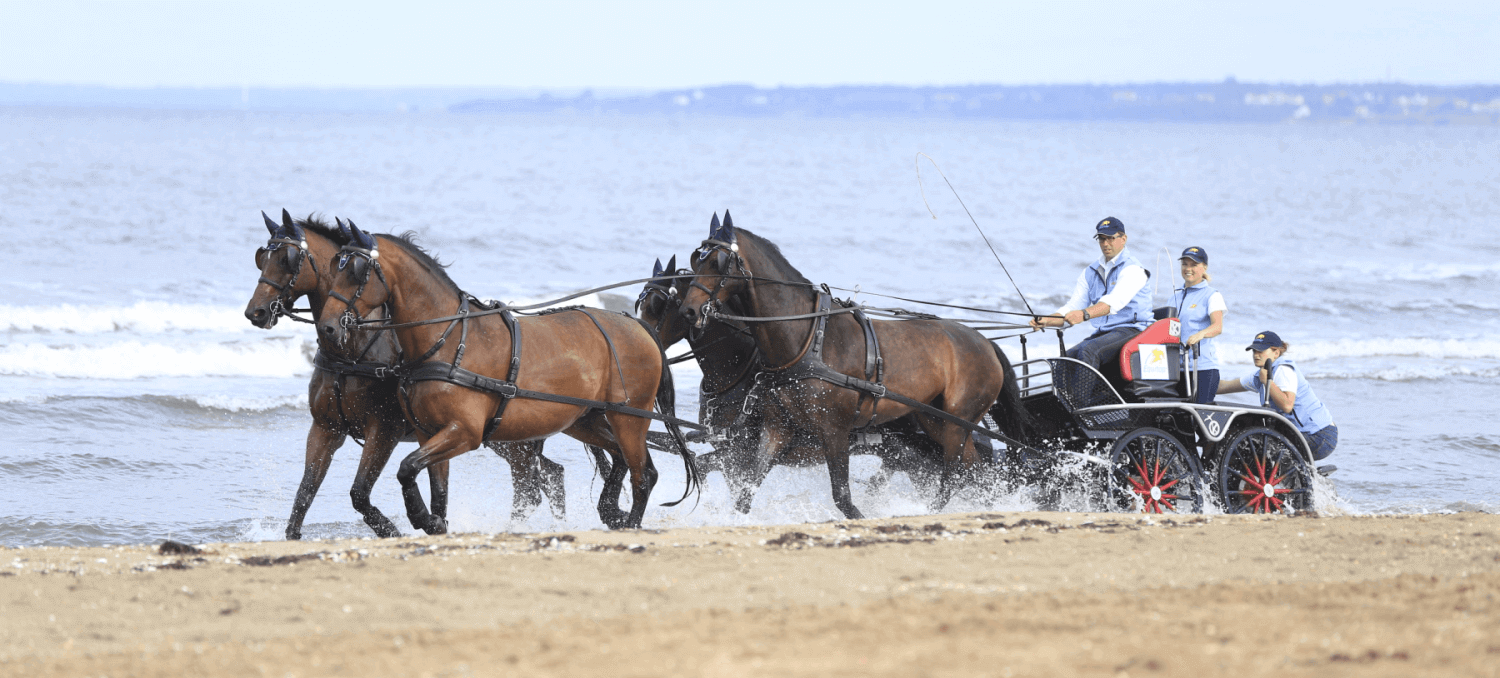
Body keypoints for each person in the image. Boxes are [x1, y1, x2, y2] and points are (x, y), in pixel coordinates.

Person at [1029, 216, 1154, 375]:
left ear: (1123, 239)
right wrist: (1047, 321)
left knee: (1088, 351)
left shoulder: (1133, 270)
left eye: (1110, 238)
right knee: (1065, 359)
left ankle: (1083, 393)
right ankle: (1063, 393)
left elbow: (1112, 303)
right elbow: (1072, 307)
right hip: (1106, 333)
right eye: (1101, 239)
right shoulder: (1090, 272)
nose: (1105, 243)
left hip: (1134, 330)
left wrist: (1084, 314)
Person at [1217, 331, 1339, 460]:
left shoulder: (1283, 370)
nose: (1256, 355)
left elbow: (1287, 405)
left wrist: (1267, 381)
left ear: (1276, 353)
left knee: (1260, 450)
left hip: (1320, 436)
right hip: (1301, 433)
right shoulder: (1260, 375)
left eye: (1261, 351)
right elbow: (1224, 386)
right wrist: (1202, 383)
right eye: (1254, 351)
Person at [1171, 246, 1225, 403]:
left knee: (1198, 415)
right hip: (1177, 369)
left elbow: (1217, 327)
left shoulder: (1212, 295)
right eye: (1185, 264)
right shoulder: (1174, 296)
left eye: (1194, 265)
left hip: (1202, 368)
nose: (1188, 269)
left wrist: (1200, 334)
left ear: (1204, 267)